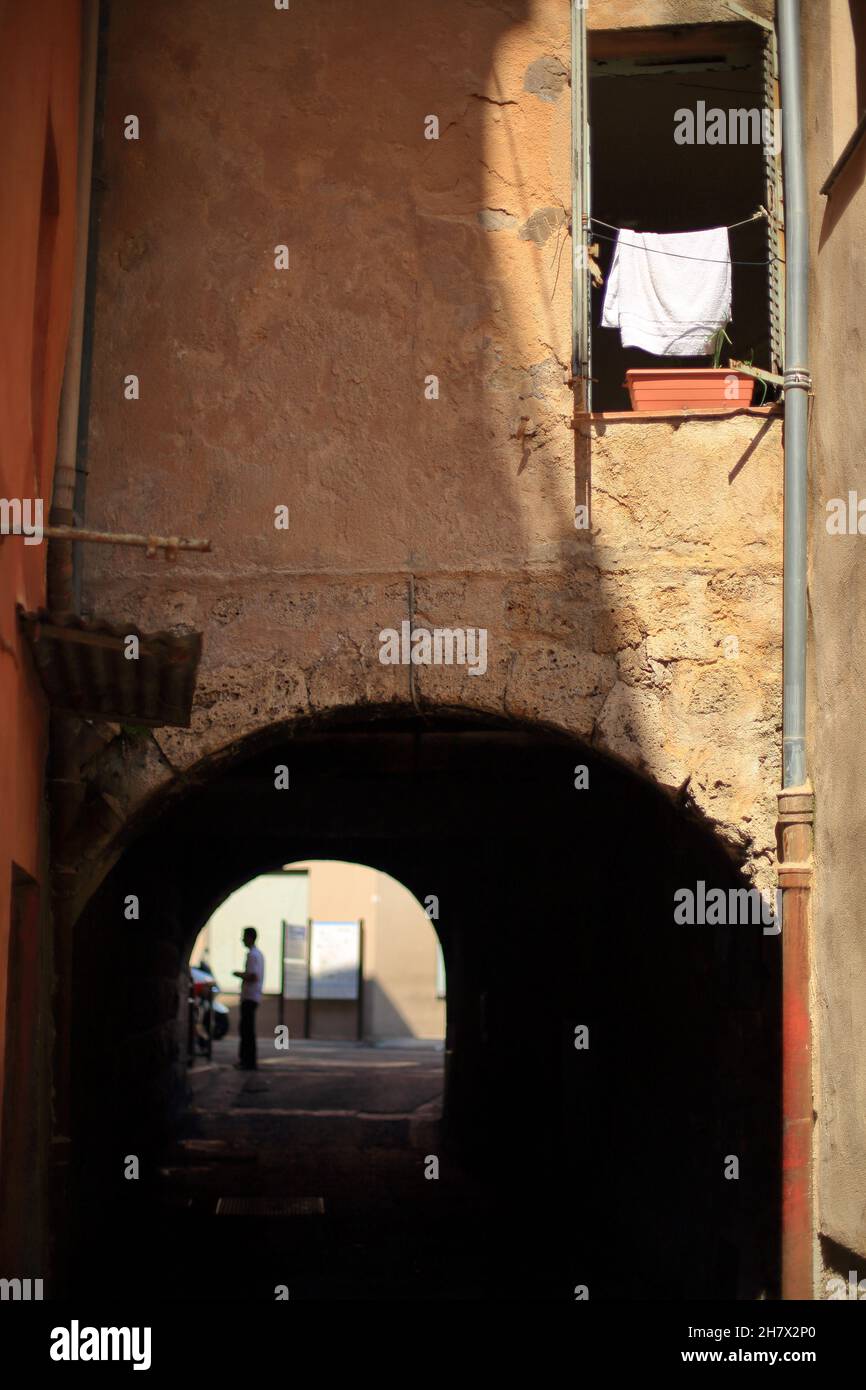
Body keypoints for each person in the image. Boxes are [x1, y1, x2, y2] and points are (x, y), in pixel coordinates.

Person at [233, 927, 264, 1070]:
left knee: (247, 1030)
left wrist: (239, 974)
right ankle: (247, 1061)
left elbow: (253, 976)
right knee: (246, 1029)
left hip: (250, 996)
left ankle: (248, 1062)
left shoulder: (253, 955)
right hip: (253, 996)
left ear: (250, 937)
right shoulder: (258, 954)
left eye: (244, 936)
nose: (242, 939)